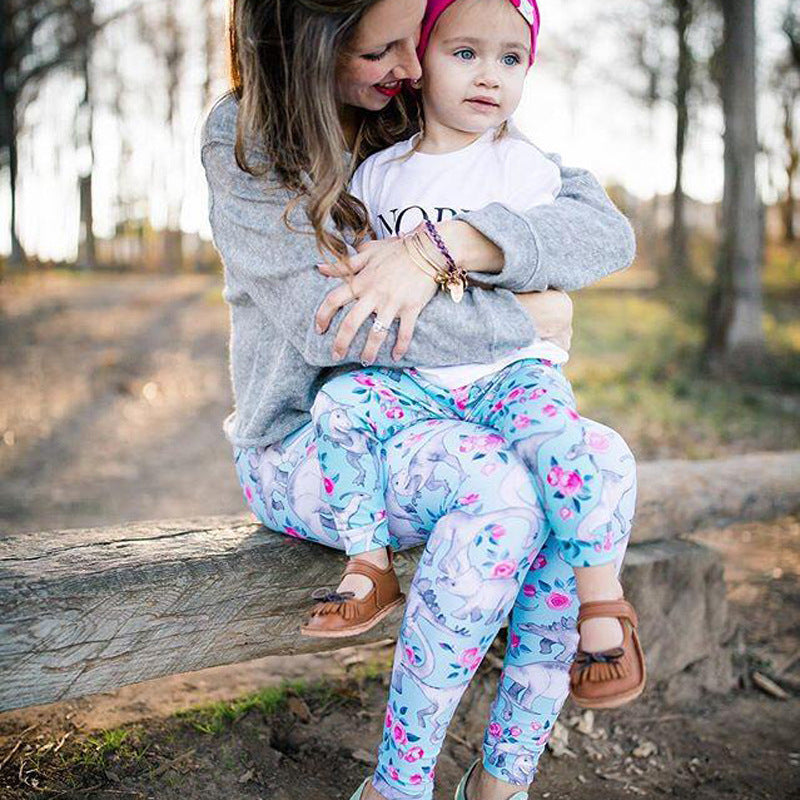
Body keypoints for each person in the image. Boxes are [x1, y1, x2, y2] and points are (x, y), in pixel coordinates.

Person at [200, 1, 639, 798]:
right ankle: (398, 784)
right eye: (383, 50)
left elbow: (601, 230)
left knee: (594, 461)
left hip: (446, 414)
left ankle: (503, 779)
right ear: (312, 43)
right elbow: (334, 324)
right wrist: (524, 318)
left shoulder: (425, 101)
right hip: (310, 439)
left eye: (417, 43)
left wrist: (445, 245)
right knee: (501, 490)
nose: (408, 67)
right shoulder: (248, 138)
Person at [299, 0, 646, 723]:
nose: (490, 75)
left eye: (511, 59)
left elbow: (561, 251)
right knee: (339, 405)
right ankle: (368, 564)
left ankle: (600, 601)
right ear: (418, 63)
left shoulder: (525, 169)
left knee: (562, 442)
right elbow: (357, 273)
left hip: (511, 370)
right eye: (465, 53)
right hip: (414, 379)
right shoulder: (377, 176)